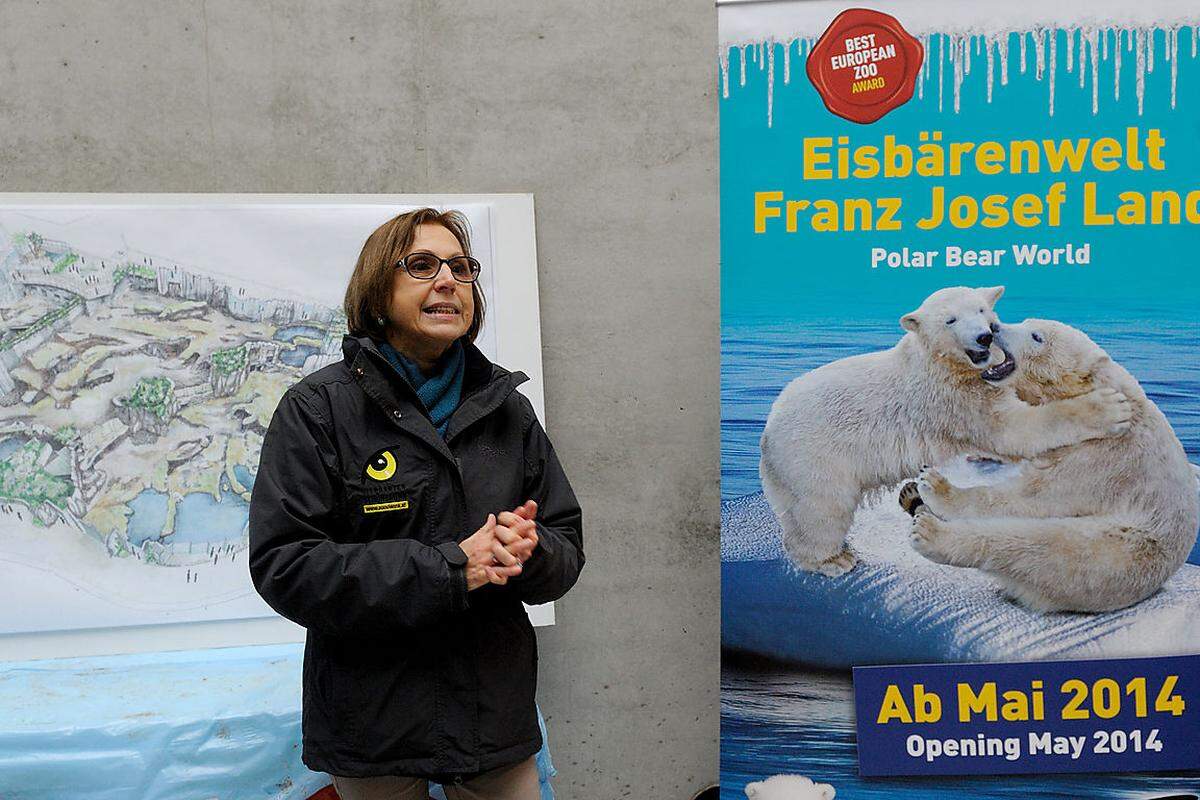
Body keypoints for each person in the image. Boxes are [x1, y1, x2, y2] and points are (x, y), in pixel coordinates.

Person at [248, 208, 584, 800]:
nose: (449, 281)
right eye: (423, 266)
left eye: (460, 267)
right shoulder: (318, 410)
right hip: (372, 722)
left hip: (491, 717)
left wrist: (528, 550)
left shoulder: (510, 411)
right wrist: (455, 567)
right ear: (378, 292)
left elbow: (565, 546)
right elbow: (287, 565)